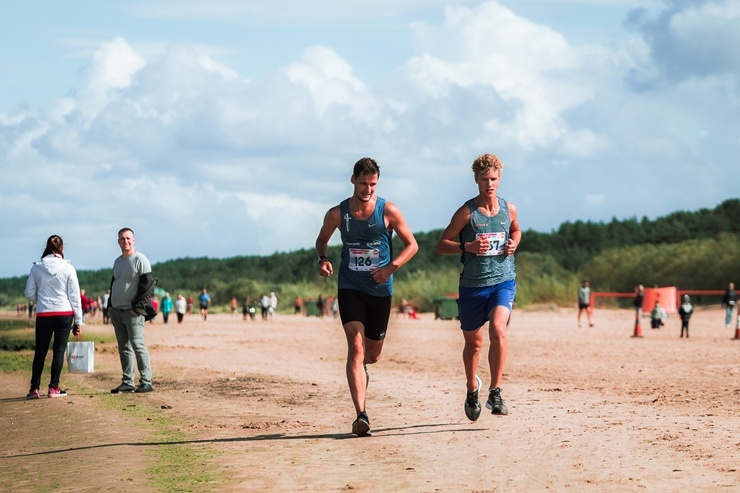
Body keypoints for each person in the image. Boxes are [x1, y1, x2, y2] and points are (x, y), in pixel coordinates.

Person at [315, 157, 418, 437]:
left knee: (371, 356)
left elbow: (412, 245)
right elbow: (321, 239)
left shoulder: (388, 211)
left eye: (373, 184)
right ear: (353, 181)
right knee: (356, 347)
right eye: (363, 183)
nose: (368, 189)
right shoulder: (337, 214)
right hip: (350, 286)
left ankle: (362, 373)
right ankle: (361, 414)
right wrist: (323, 258)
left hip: (380, 292)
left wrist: (390, 268)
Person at [436, 153, 520, 421]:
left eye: (493, 179)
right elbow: (442, 244)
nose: (489, 184)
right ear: (476, 180)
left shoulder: (509, 209)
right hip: (473, 286)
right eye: (484, 179)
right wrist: (467, 246)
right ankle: (472, 388)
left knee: (498, 330)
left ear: (500, 178)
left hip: (503, 282)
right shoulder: (466, 212)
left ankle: (495, 391)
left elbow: (516, 230)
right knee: (473, 344)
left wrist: (514, 242)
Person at [23, 235, 84, 399]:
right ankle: (53, 388)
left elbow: (28, 292)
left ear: (47, 248)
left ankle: (34, 389)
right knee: (59, 350)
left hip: (44, 313)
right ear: (61, 248)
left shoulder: (36, 268)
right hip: (64, 313)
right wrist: (78, 321)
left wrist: (41, 300)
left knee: (40, 351)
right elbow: (75, 297)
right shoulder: (68, 268)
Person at [109, 228, 156, 394]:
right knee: (124, 347)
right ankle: (127, 382)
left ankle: (146, 381)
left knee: (138, 345)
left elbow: (147, 287)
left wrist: (137, 309)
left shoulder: (140, 259)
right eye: (122, 238)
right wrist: (110, 305)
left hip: (132, 312)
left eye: (128, 238)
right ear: (118, 241)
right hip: (117, 311)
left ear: (134, 240)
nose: (125, 241)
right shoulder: (117, 262)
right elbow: (114, 283)